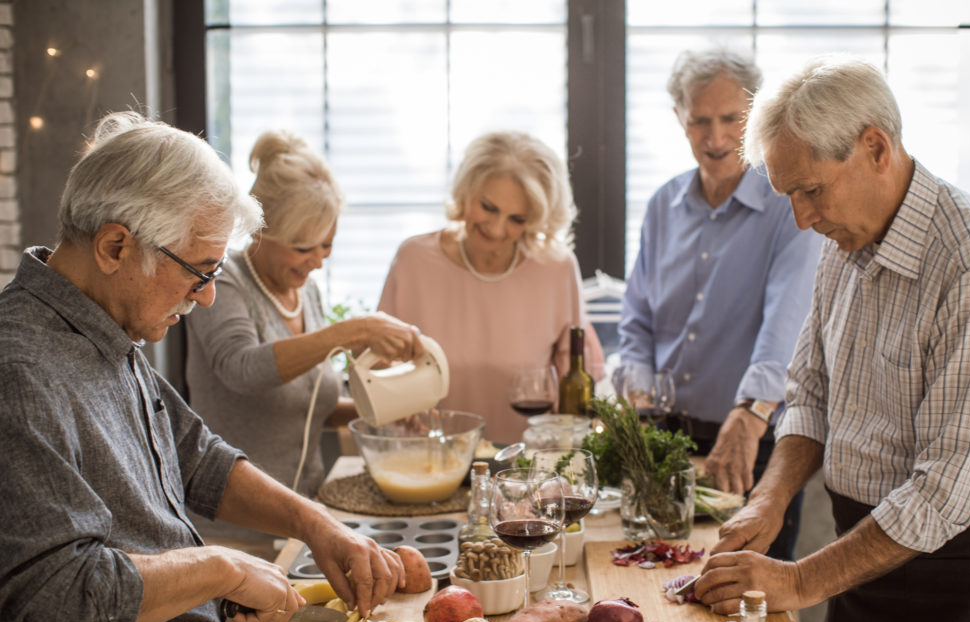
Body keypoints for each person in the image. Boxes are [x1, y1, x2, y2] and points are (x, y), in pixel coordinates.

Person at [0, 112, 405, 622]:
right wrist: (221, 569)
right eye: (201, 271)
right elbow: (61, 602)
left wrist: (317, 524)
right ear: (116, 246)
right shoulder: (20, 371)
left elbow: (196, 458)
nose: (210, 297)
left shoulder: (100, 325)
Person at [696, 55, 970, 622]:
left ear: (876, 146)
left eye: (811, 190)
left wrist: (798, 579)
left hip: (959, 584)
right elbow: (810, 393)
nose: (802, 219)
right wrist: (769, 500)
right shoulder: (843, 240)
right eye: (789, 195)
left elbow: (945, 489)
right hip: (859, 564)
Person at [617, 47, 822, 560]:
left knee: (747, 596)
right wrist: (638, 386)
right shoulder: (662, 206)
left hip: (753, 436)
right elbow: (637, 318)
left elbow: (789, 323)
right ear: (679, 120)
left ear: (756, 115)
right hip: (665, 439)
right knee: (656, 584)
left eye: (731, 118)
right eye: (699, 121)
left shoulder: (788, 203)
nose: (715, 138)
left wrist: (751, 413)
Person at [186, 130, 422, 503]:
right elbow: (242, 369)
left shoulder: (305, 292)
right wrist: (350, 332)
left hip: (305, 506)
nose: (317, 261)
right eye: (302, 248)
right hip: (235, 522)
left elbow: (311, 407)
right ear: (262, 231)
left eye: (326, 245)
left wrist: (387, 410)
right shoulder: (225, 279)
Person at [377, 130, 604, 445]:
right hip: (425, 459)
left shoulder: (556, 269)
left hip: (523, 468)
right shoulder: (413, 260)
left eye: (517, 219)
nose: (497, 229)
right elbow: (378, 365)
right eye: (488, 207)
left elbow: (576, 381)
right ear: (466, 189)